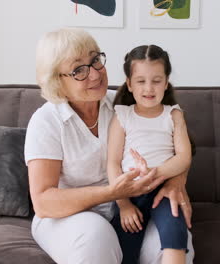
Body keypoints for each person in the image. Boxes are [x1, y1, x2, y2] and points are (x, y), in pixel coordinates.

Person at [24, 27, 194, 264]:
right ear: (57, 82)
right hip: (68, 216)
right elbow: (43, 202)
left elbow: (175, 145)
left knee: (174, 246)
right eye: (79, 70)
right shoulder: (46, 121)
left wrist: (176, 182)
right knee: (96, 237)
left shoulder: (124, 105)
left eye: (95, 60)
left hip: (132, 208)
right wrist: (113, 194)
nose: (94, 74)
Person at [107, 45, 192, 264]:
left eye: (156, 81)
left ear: (166, 82)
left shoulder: (173, 115)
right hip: (130, 190)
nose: (149, 88)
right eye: (141, 81)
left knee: (175, 235)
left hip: (163, 190)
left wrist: (154, 174)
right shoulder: (122, 116)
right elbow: (113, 164)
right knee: (126, 247)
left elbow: (183, 157)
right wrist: (124, 204)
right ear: (129, 84)